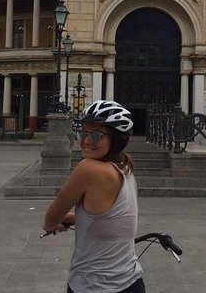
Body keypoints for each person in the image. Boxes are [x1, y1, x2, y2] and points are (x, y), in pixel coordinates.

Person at [43, 100, 144, 293]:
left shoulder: (88, 169)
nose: (86, 140)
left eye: (96, 134)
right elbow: (114, 219)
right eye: (83, 132)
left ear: (115, 139)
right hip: (131, 282)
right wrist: (73, 219)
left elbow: (51, 216)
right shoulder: (125, 168)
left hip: (94, 285)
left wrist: (51, 224)